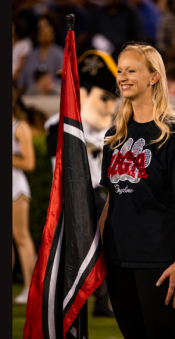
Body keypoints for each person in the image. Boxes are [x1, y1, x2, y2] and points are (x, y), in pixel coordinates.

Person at [99, 42, 175, 338]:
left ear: (154, 77)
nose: (123, 77)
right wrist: (98, 252)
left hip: (158, 261)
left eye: (132, 70)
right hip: (117, 259)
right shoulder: (114, 134)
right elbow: (112, 200)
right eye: (120, 71)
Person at [44, 50, 120, 317]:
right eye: (104, 98)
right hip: (71, 197)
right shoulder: (59, 126)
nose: (110, 107)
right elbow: (60, 171)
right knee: (71, 256)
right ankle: (68, 306)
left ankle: (101, 301)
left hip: (97, 196)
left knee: (105, 250)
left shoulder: (106, 130)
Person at [12, 86, 36, 304]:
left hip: (16, 188)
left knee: (21, 237)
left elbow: (29, 162)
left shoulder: (20, 126)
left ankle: (30, 288)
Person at [17, 14, 64, 93]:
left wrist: (47, 85)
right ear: (38, 36)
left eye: (48, 34)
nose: (45, 36)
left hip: (53, 91)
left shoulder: (59, 53)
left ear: (53, 36)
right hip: (32, 91)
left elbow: (63, 76)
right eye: (43, 34)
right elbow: (24, 74)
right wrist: (20, 86)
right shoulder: (32, 54)